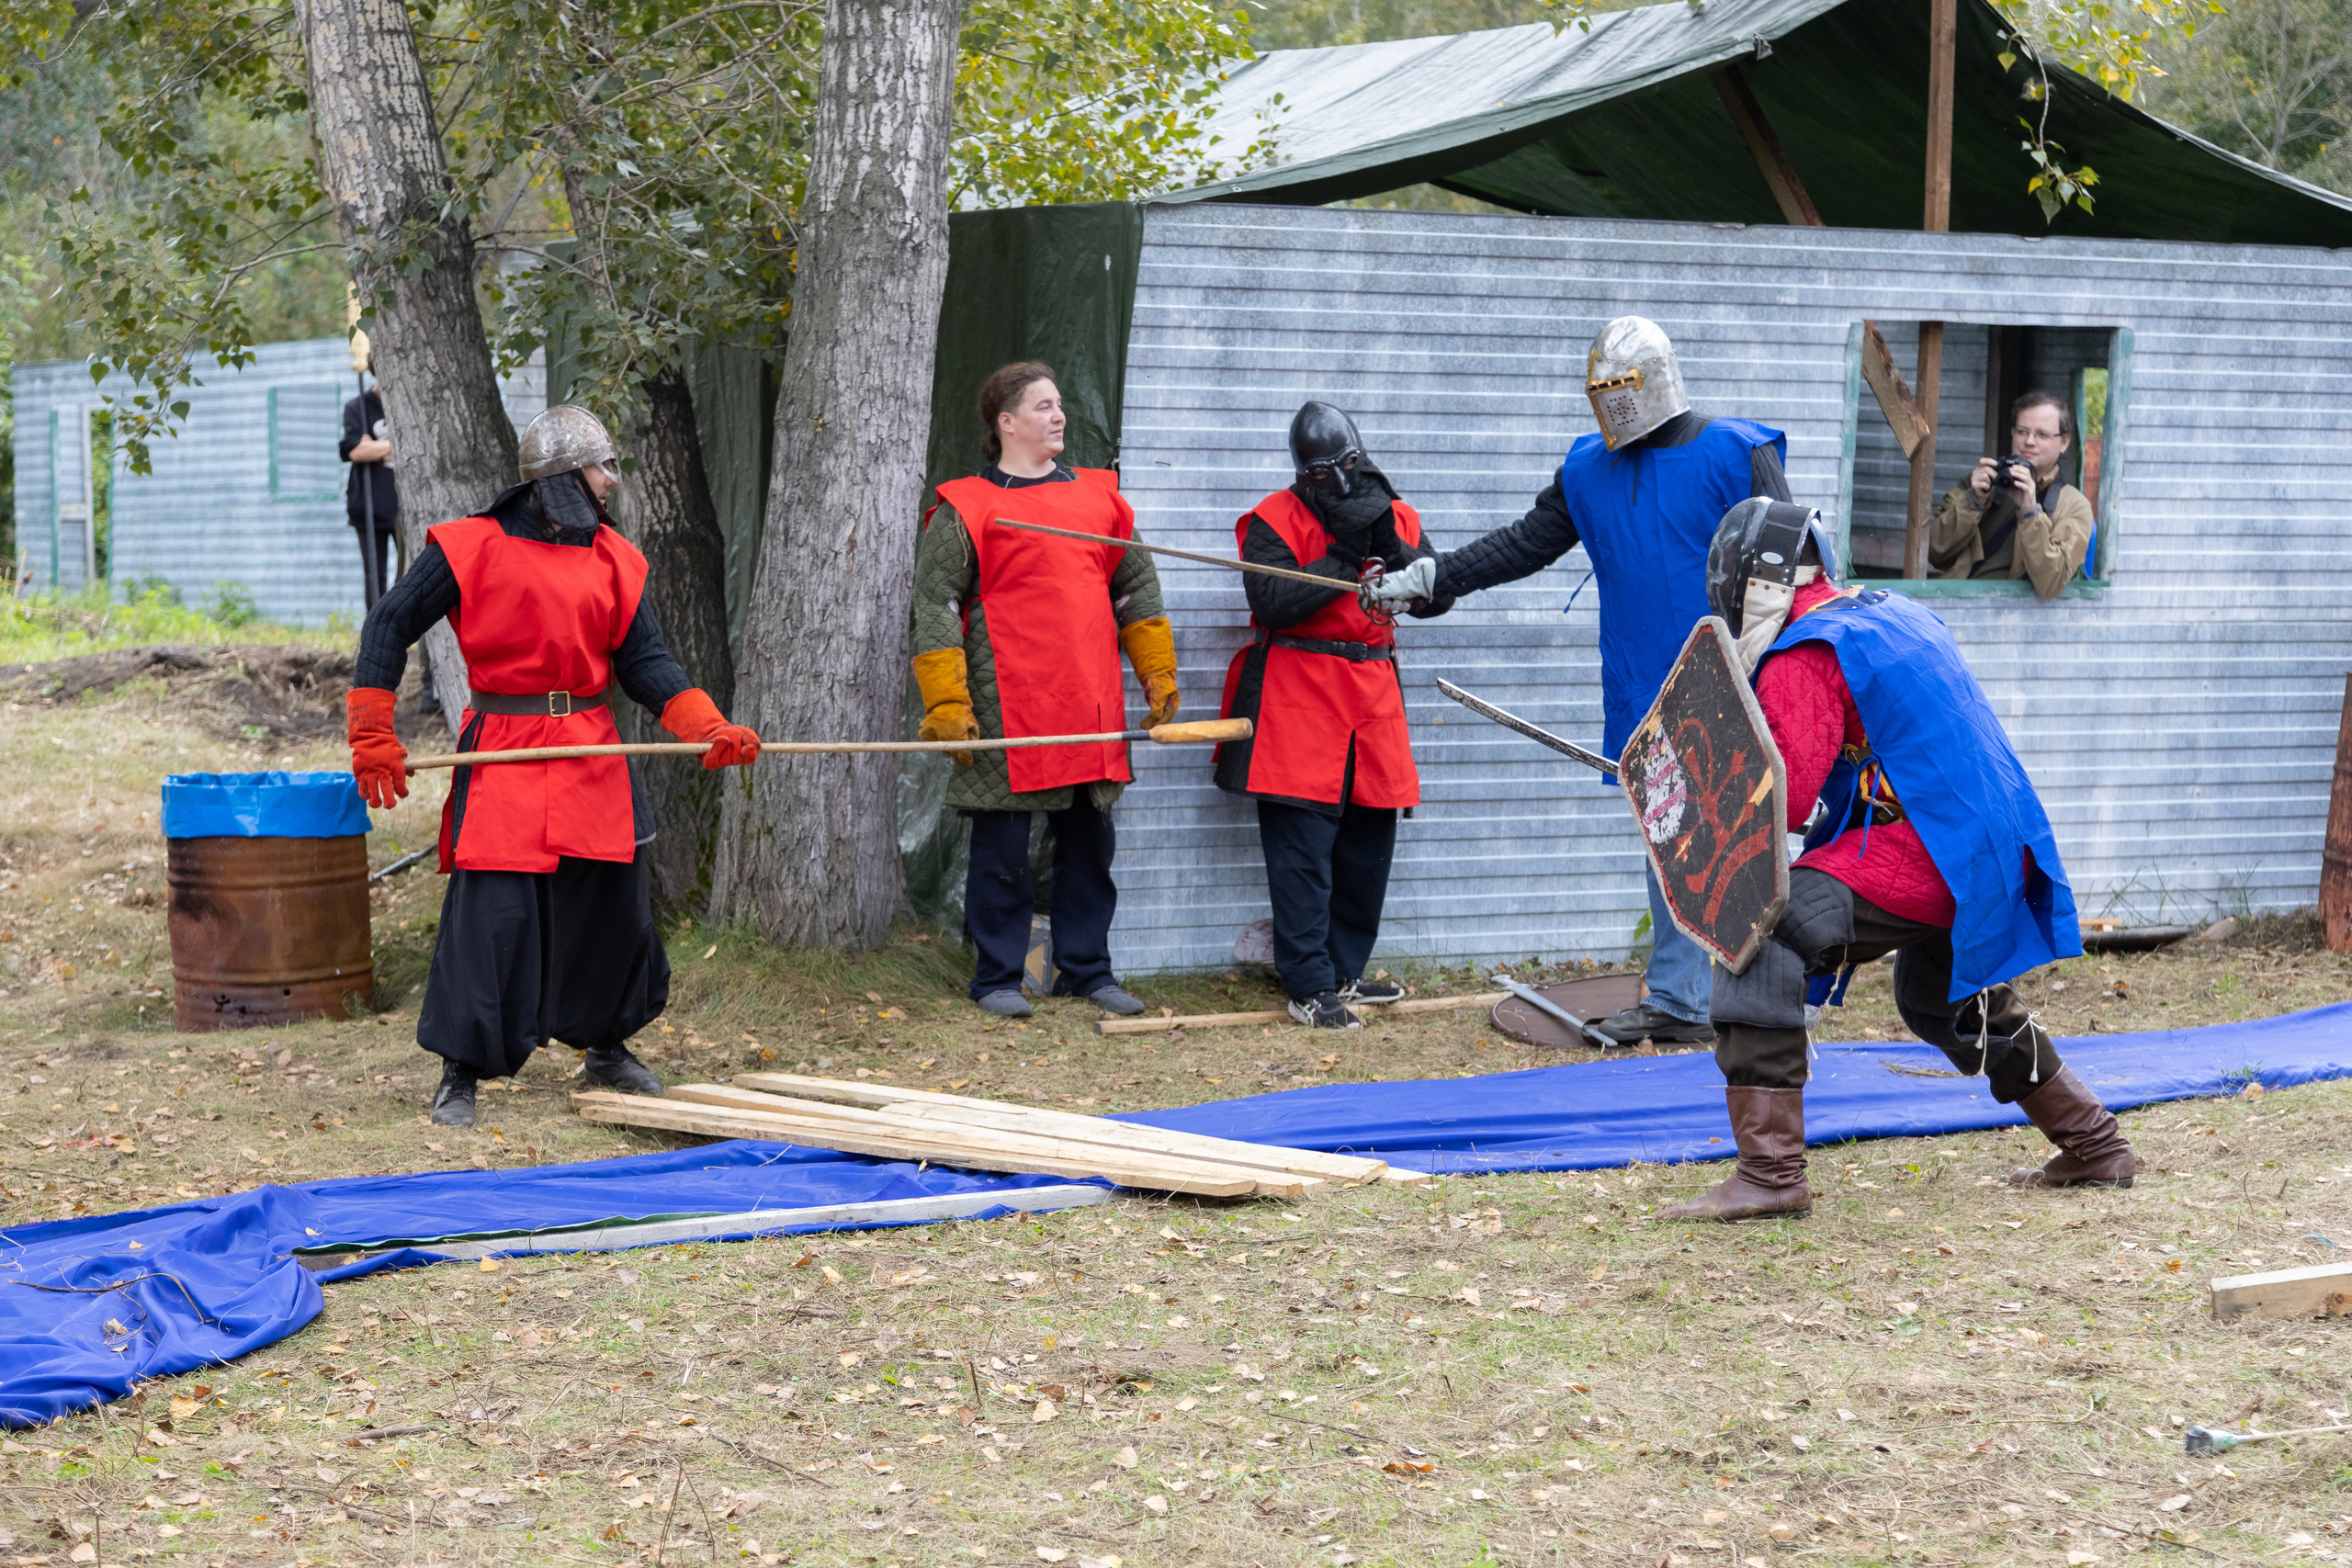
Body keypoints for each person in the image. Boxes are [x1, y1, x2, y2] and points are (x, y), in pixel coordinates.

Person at [1659, 499, 2136, 1223]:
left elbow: (1781, 801)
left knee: (1764, 933)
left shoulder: (1806, 650)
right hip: (1988, 839)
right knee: (1939, 994)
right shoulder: (1891, 611)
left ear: (1752, 583)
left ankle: (1770, 1174)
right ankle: (2096, 1143)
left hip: (1926, 842)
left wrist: (1697, 804)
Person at [1366, 315, 1790, 1047]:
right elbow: (1523, 544)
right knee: (1670, 837)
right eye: (1603, 392)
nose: (1614, 405)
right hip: (1642, 682)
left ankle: (1773, 991)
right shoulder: (1589, 469)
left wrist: (1784, 663)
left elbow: (1791, 564)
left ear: (1654, 380)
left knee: (1752, 834)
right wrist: (1434, 578)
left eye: (1624, 388)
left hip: (1736, 674)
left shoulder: (1735, 452)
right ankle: (1681, 998)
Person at [344, 404, 761, 1128]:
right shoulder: (470, 545)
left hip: (592, 745)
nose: (611, 481)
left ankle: (606, 1047)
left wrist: (706, 725)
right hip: (505, 745)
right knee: (494, 912)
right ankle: (461, 1070)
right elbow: (389, 622)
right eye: (602, 467)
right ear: (565, 475)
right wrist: (372, 729)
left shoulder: (614, 557)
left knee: (609, 905)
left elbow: (646, 660)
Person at [913, 362, 1176, 1020]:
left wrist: (1158, 673)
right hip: (1005, 697)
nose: (1059, 416)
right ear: (1005, 422)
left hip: (1088, 696)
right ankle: (997, 978)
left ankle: (1087, 971)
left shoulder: (1100, 499)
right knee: (1002, 848)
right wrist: (947, 702)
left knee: (1089, 843)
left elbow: (1136, 589)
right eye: (1042, 406)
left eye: (1059, 404)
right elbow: (937, 604)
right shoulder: (967, 506)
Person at [1215, 402, 1454, 1029]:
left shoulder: (1396, 513)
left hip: (1372, 692)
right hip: (1298, 692)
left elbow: (1439, 597)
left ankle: (1344, 971)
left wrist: (1392, 550)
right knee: (1302, 850)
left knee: (1368, 844)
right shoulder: (1273, 518)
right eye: (1323, 470)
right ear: (1303, 471)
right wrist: (1346, 555)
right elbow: (1273, 601)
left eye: (1347, 463)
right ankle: (1309, 983)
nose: (1340, 478)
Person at [1927, 389, 2095, 596]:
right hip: (1950, 601)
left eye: (2042, 434)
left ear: (2065, 442)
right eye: (2022, 431)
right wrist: (1973, 502)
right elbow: (1934, 552)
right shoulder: (1984, 481)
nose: (2029, 441)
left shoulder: (2074, 505)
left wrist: (2031, 512)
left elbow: (2051, 585)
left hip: (2009, 611)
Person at [340, 380, 399, 609]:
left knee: (410, 570)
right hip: (369, 505)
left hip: (405, 506)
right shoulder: (357, 407)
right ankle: (377, 627)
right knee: (375, 576)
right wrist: (394, 446)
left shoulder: (406, 401)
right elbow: (355, 451)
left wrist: (374, 447)